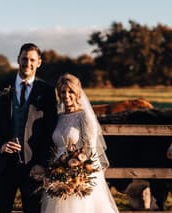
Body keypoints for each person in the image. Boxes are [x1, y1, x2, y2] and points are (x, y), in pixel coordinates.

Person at [0, 43, 58, 213]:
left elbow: (50, 129)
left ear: (39, 62)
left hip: (33, 168)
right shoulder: (1, 87)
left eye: (32, 60)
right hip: (4, 166)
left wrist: (42, 163)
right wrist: (0, 144)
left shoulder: (46, 91)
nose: (27, 63)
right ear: (18, 59)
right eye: (24, 58)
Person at [41, 73, 119, 213]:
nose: (66, 95)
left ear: (77, 92)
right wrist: (54, 172)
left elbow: (90, 152)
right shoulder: (59, 117)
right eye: (63, 92)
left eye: (70, 91)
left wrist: (76, 175)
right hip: (58, 177)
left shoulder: (84, 117)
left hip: (79, 178)